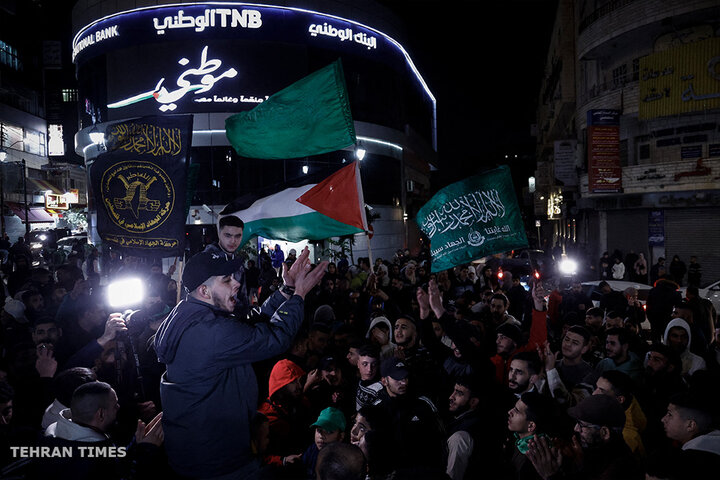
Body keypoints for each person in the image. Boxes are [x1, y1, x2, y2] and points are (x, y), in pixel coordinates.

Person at [155, 247, 327, 479]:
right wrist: (299, 296)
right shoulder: (210, 333)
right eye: (226, 280)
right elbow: (275, 337)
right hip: (218, 463)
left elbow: (248, 323)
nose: (236, 283)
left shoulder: (190, 314)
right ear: (204, 290)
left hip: (202, 454)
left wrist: (286, 290)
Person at [526, 394, 644, 480]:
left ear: (604, 432)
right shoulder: (598, 452)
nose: (576, 429)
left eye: (582, 425)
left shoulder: (620, 469)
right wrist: (576, 463)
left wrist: (551, 476)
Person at [203, 215, 250, 318]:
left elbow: (242, 295)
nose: (233, 241)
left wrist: (243, 317)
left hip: (235, 321)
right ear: (219, 234)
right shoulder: (206, 260)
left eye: (238, 236)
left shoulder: (238, 262)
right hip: (212, 322)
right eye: (228, 235)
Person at [301, 407, 346, 479]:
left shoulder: (345, 463)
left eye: (329, 431)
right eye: (319, 430)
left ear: (341, 436)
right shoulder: (312, 450)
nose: (321, 435)